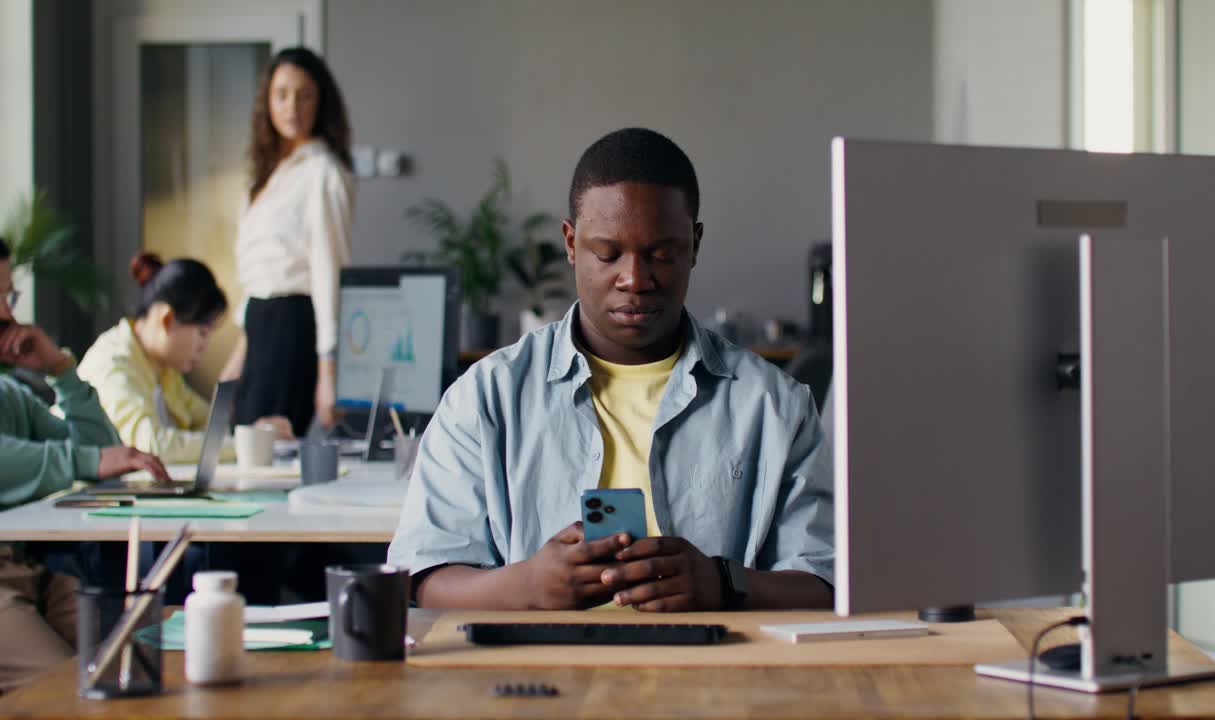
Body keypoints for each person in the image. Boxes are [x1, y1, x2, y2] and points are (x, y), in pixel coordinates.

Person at [389, 128, 833, 612]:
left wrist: (723, 584)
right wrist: (526, 587)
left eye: (661, 254)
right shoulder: (486, 398)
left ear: (695, 244)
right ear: (571, 243)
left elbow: (828, 581)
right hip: (537, 677)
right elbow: (424, 575)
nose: (635, 280)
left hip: (712, 679)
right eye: (608, 253)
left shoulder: (775, 406)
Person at [0, 238, 170, 692]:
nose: (7, 315)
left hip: (29, 567)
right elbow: (86, 458)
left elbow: (103, 449)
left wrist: (60, 370)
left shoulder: (10, 393)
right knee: (69, 695)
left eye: (8, 296)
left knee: (139, 663)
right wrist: (90, 461)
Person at [221, 46, 355, 437]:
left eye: (304, 94)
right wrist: (239, 355)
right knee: (241, 442)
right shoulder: (264, 179)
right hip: (260, 324)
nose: (291, 106)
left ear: (321, 101)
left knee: (269, 446)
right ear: (267, 101)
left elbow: (330, 272)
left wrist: (328, 371)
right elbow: (259, 276)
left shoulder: (323, 173)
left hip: (295, 324)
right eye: (281, 94)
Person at [79, 254, 292, 464]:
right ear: (168, 319)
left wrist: (255, 434)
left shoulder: (162, 370)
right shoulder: (115, 363)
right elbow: (150, 446)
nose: (204, 347)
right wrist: (246, 445)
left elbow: (209, 426)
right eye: (202, 333)